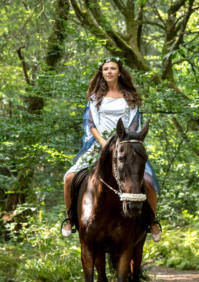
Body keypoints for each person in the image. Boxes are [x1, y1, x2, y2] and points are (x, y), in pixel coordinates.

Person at [61, 57, 162, 242]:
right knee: (68, 178)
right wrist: (105, 144)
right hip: (99, 146)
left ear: (119, 72)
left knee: (148, 182)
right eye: (105, 69)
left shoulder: (131, 98)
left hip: (126, 148)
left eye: (112, 68)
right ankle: (69, 219)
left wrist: (120, 144)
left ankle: (152, 221)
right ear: (101, 72)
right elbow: (91, 124)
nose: (109, 71)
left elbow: (133, 125)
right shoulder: (94, 99)